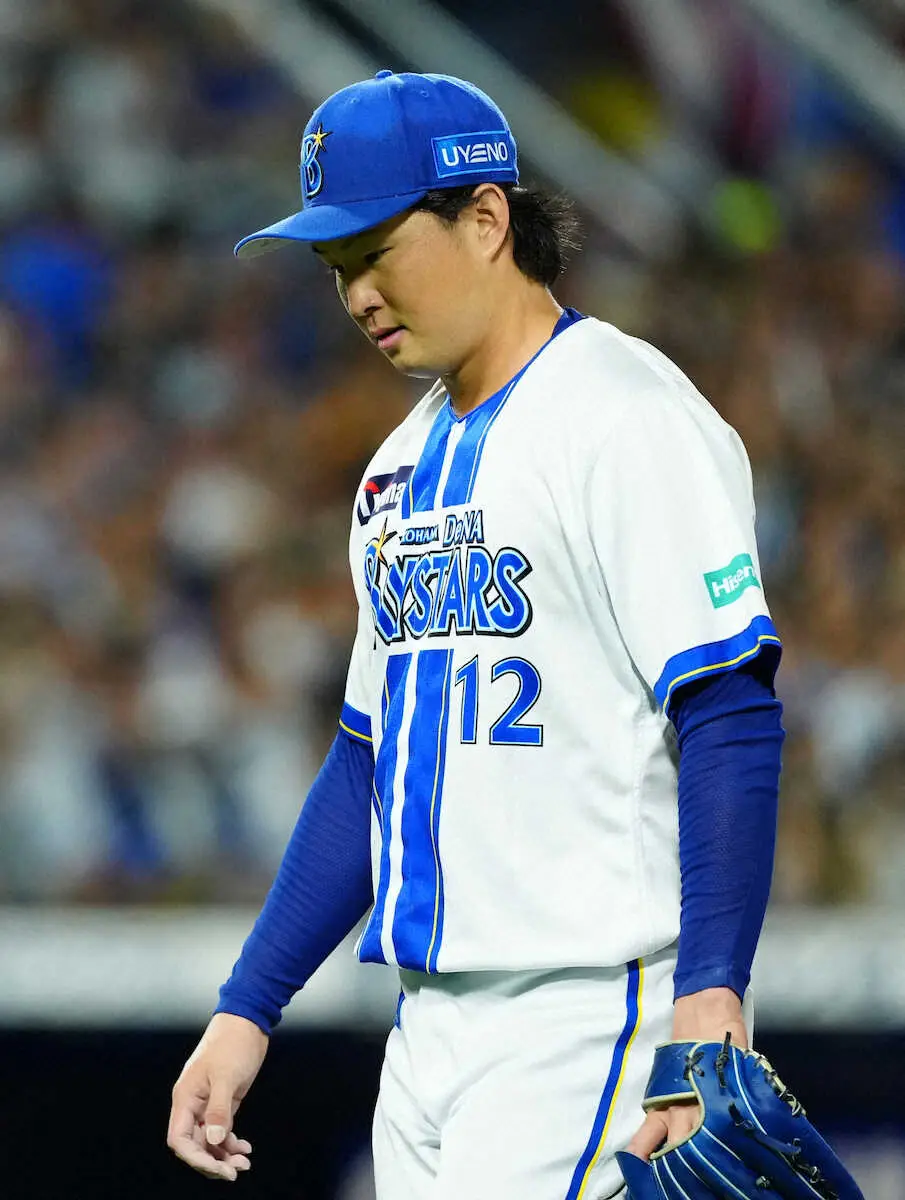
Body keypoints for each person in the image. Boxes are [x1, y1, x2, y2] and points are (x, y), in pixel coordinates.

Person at [167, 70, 785, 1198]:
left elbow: (728, 709)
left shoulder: (625, 417)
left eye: (375, 251)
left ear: (487, 218)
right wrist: (246, 1007)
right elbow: (368, 759)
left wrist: (711, 991)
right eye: (335, 267)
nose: (356, 294)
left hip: (586, 1012)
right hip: (426, 1032)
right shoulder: (395, 468)